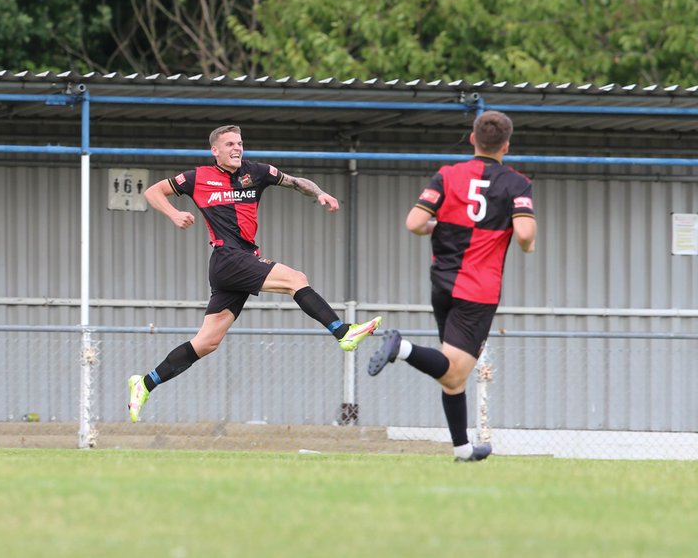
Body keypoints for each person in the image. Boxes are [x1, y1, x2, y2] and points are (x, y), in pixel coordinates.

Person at [126, 125, 382, 423]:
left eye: (240, 143)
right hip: (228, 258)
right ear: (215, 151)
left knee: (207, 342)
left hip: (237, 261)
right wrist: (173, 214)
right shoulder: (197, 178)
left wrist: (320, 192)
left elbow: (295, 181)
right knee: (295, 279)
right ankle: (343, 331)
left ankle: (144, 384)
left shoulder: (257, 172)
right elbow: (153, 191)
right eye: (230, 143)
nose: (237, 148)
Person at [368, 110, 536, 462]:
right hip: (478, 289)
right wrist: (526, 244)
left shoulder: (447, 175)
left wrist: (437, 227)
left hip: (442, 281)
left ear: (473, 138)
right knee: (456, 367)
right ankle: (402, 349)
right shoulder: (516, 183)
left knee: (452, 376)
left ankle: (462, 449)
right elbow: (524, 233)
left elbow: (414, 222)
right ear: (507, 145)